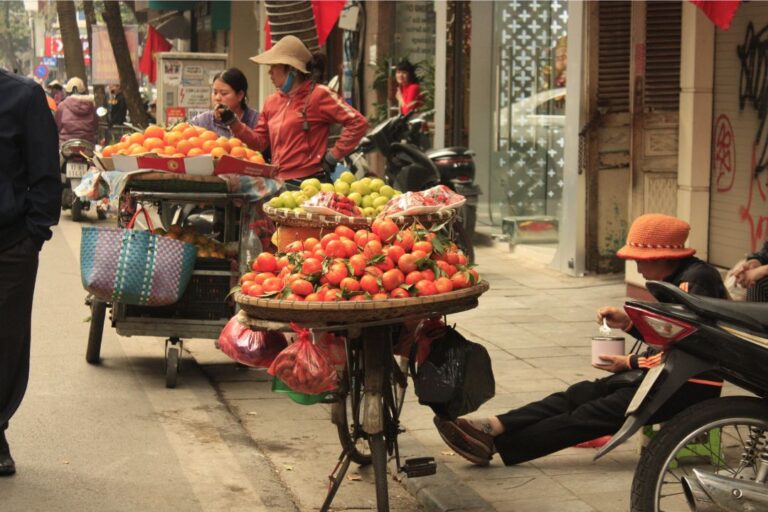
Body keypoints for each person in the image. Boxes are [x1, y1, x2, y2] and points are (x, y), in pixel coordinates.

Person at [433, 213, 727, 467]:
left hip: (688, 384)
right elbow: (666, 334)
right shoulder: (677, 277)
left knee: (588, 415)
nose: (636, 267)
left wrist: (631, 361)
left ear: (661, 256)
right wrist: (628, 324)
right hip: (663, 374)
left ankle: (495, 445)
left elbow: (692, 346)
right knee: (579, 394)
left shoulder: (694, 282)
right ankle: (493, 426)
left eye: (639, 259)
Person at [0, 69, 61, 476]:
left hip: (9, 245)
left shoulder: (23, 96)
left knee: (6, 343)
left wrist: (33, 236)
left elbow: (44, 172)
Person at [220, 35, 367, 183]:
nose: (269, 72)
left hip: (311, 182)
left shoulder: (319, 95)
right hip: (279, 182)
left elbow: (358, 122)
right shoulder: (272, 101)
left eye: (274, 66)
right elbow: (259, 143)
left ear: (291, 69)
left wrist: (334, 155)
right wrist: (233, 122)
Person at [191, 67, 259, 137]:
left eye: (224, 93)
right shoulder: (201, 122)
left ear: (240, 95)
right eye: (215, 92)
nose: (217, 98)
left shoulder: (256, 121)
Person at [55, 77, 98, 144]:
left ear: (67, 92)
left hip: (66, 145)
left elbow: (57, 126)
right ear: (84, 91)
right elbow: (95, 126)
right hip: (87, 145)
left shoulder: (62, 105)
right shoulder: (92, 105)